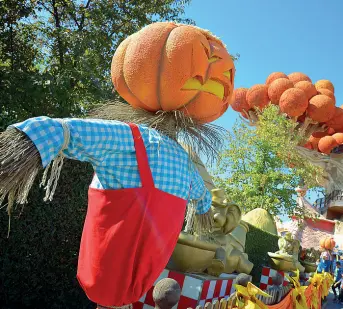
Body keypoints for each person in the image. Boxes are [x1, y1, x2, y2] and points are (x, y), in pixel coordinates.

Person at [0, 22, 234, 309]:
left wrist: (23, 144)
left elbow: (63, 131)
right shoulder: (176, 160)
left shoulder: (137, 141)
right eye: (205, 56)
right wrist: (203, 211)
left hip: (109, 278)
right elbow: (201, 198)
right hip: (130, 283)